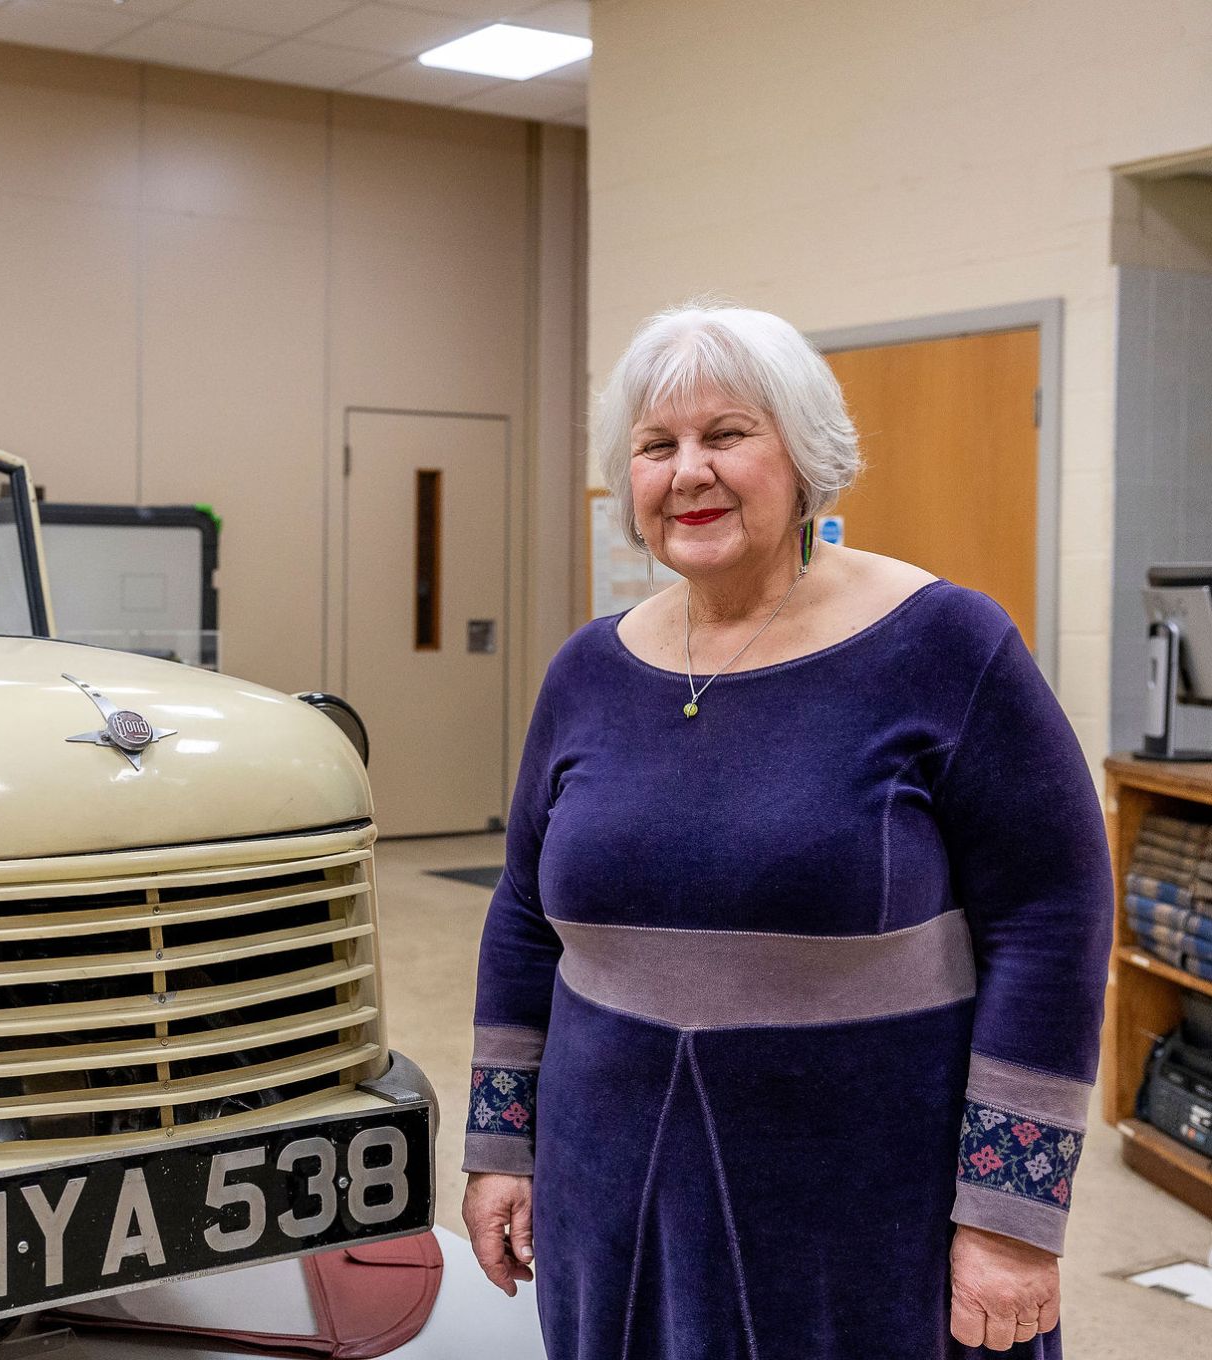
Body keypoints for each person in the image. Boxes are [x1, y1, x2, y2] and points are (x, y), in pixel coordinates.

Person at [461, 302, 1111, 1358]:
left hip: (864, 1212)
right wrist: (502, 1145)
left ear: (803, 456)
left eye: (726, 435)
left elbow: (1053, 920)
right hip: (612, 1193)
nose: (689, 472)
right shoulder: (587, 668)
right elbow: (526, 917)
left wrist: (1011, 1218)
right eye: (656, 447)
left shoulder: (947, 644)